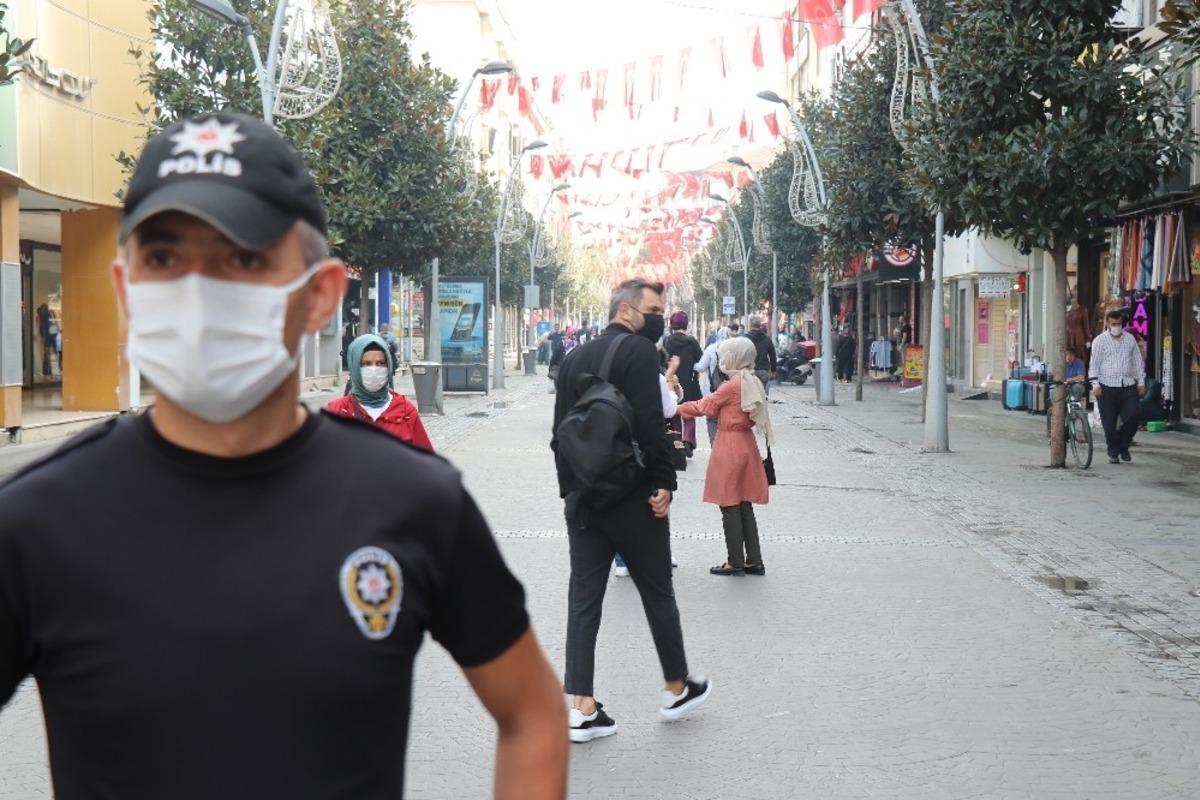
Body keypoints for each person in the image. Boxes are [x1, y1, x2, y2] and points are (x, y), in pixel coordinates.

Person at [0, 112, 568, 799]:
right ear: (126, 290)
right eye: (164, 259)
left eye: (244, 259)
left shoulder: (413, 502)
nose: (198, 292)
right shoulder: (38, 521)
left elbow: (532, 713)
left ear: (319, 295)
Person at [552, 278, 711, 743]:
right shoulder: (640, 352)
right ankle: (676, 686)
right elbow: (649, 422)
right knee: (657, 590)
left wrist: (570, 491)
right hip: (635, 498)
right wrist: (664, 483)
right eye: (654, 310)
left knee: (584, 598)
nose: (659, 319)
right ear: (626, 311)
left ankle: (581, 707)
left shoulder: (574, 358)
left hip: (584, 500)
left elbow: (560, 432)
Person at [678, 337, 773, 577]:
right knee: (744, 503)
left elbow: (705, 406)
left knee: (729, 502)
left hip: (730, 444)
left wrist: (674, 408)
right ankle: (754, 560)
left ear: (734, 357)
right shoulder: (752, 380)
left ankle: (735, 561)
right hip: (747, 444)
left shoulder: (732, 385)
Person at [327, 334, 433, 451]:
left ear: (389, 365)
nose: (374, 370)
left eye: (380, 363)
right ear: (355, 367)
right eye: (366, 364)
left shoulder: (406, 411)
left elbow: (425, 458)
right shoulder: (336, 411)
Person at [1089, 308, 1145, 465]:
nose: (1116, 327)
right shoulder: (1099, 341)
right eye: (1113, 324)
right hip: (1106, 386)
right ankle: (1114, 452)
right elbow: (1094, 364)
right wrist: (1095, 384)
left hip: (1128, 384)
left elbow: (1137, 361)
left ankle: (1123, 444)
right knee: (1109, 423)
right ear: (1107, 323)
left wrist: (1141, 381)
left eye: (1119, 324)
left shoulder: (1130, 339)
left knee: (1133, 415)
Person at [662, 311, 704, 453]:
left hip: (672, 382)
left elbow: (662, 361)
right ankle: (689, 441)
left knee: (674, 414)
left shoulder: (666, 341)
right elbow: (700, 360)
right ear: (686, 324)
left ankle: (678, 444)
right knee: (689, 413)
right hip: (689, 383)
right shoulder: (692, 341)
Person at [695, 326, 730, 446]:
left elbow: (700, 367)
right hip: (730, 391)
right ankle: (727, 446)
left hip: (712, 391)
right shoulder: (735, 348)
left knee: (712, 419)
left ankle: (715, 447)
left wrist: (692, 364)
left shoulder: (711, 349)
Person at [744, 316, 777, 396]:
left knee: (750, 396)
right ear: (760, 325)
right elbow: (772, 355)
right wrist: (773, 370)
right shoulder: (767, 339)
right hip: (763, 371)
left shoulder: (745, 339)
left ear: (750, 324)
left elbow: (741, 355)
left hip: (749, 371)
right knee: (763, 396)